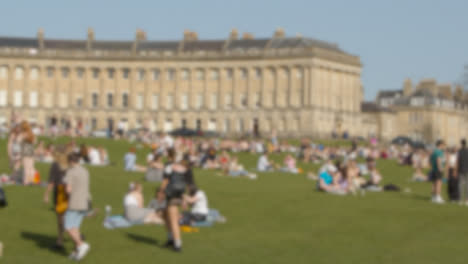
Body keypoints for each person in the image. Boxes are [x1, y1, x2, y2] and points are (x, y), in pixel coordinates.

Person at [158, 153, 189, 252]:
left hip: (171, 194)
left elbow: (165, 181)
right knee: (165, 215)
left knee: (173, 220)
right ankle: (171, 239)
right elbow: (186, 185)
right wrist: (184, 199)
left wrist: (160, 193)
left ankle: (177, 244)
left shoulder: (169, 167)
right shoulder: (185, 169)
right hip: (179, 194)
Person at [63, 153, 91, 261]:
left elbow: (68, 189)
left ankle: (81, 245)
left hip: (75, 202)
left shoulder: (71, 172)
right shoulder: (85, 171)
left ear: (70, 161)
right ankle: (76, 251)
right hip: (85, 201)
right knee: (75, 227)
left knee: (68, 227)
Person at [43, 145, 69, 250]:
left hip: (60, 192)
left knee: (60, 218)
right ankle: (75, 234)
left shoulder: (55, 165)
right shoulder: (69, 164)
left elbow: (51, 182)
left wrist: (46, 195)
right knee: (69, 216)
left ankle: (60, 240)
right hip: (70, 191)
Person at [457, 139, 468, 206]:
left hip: (461, 169)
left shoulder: (460, 151)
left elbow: (458, 161)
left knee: (460, 185)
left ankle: (461, 200)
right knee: (467, 185)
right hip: (467, 169)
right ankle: (467, 200)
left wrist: (456, 170)